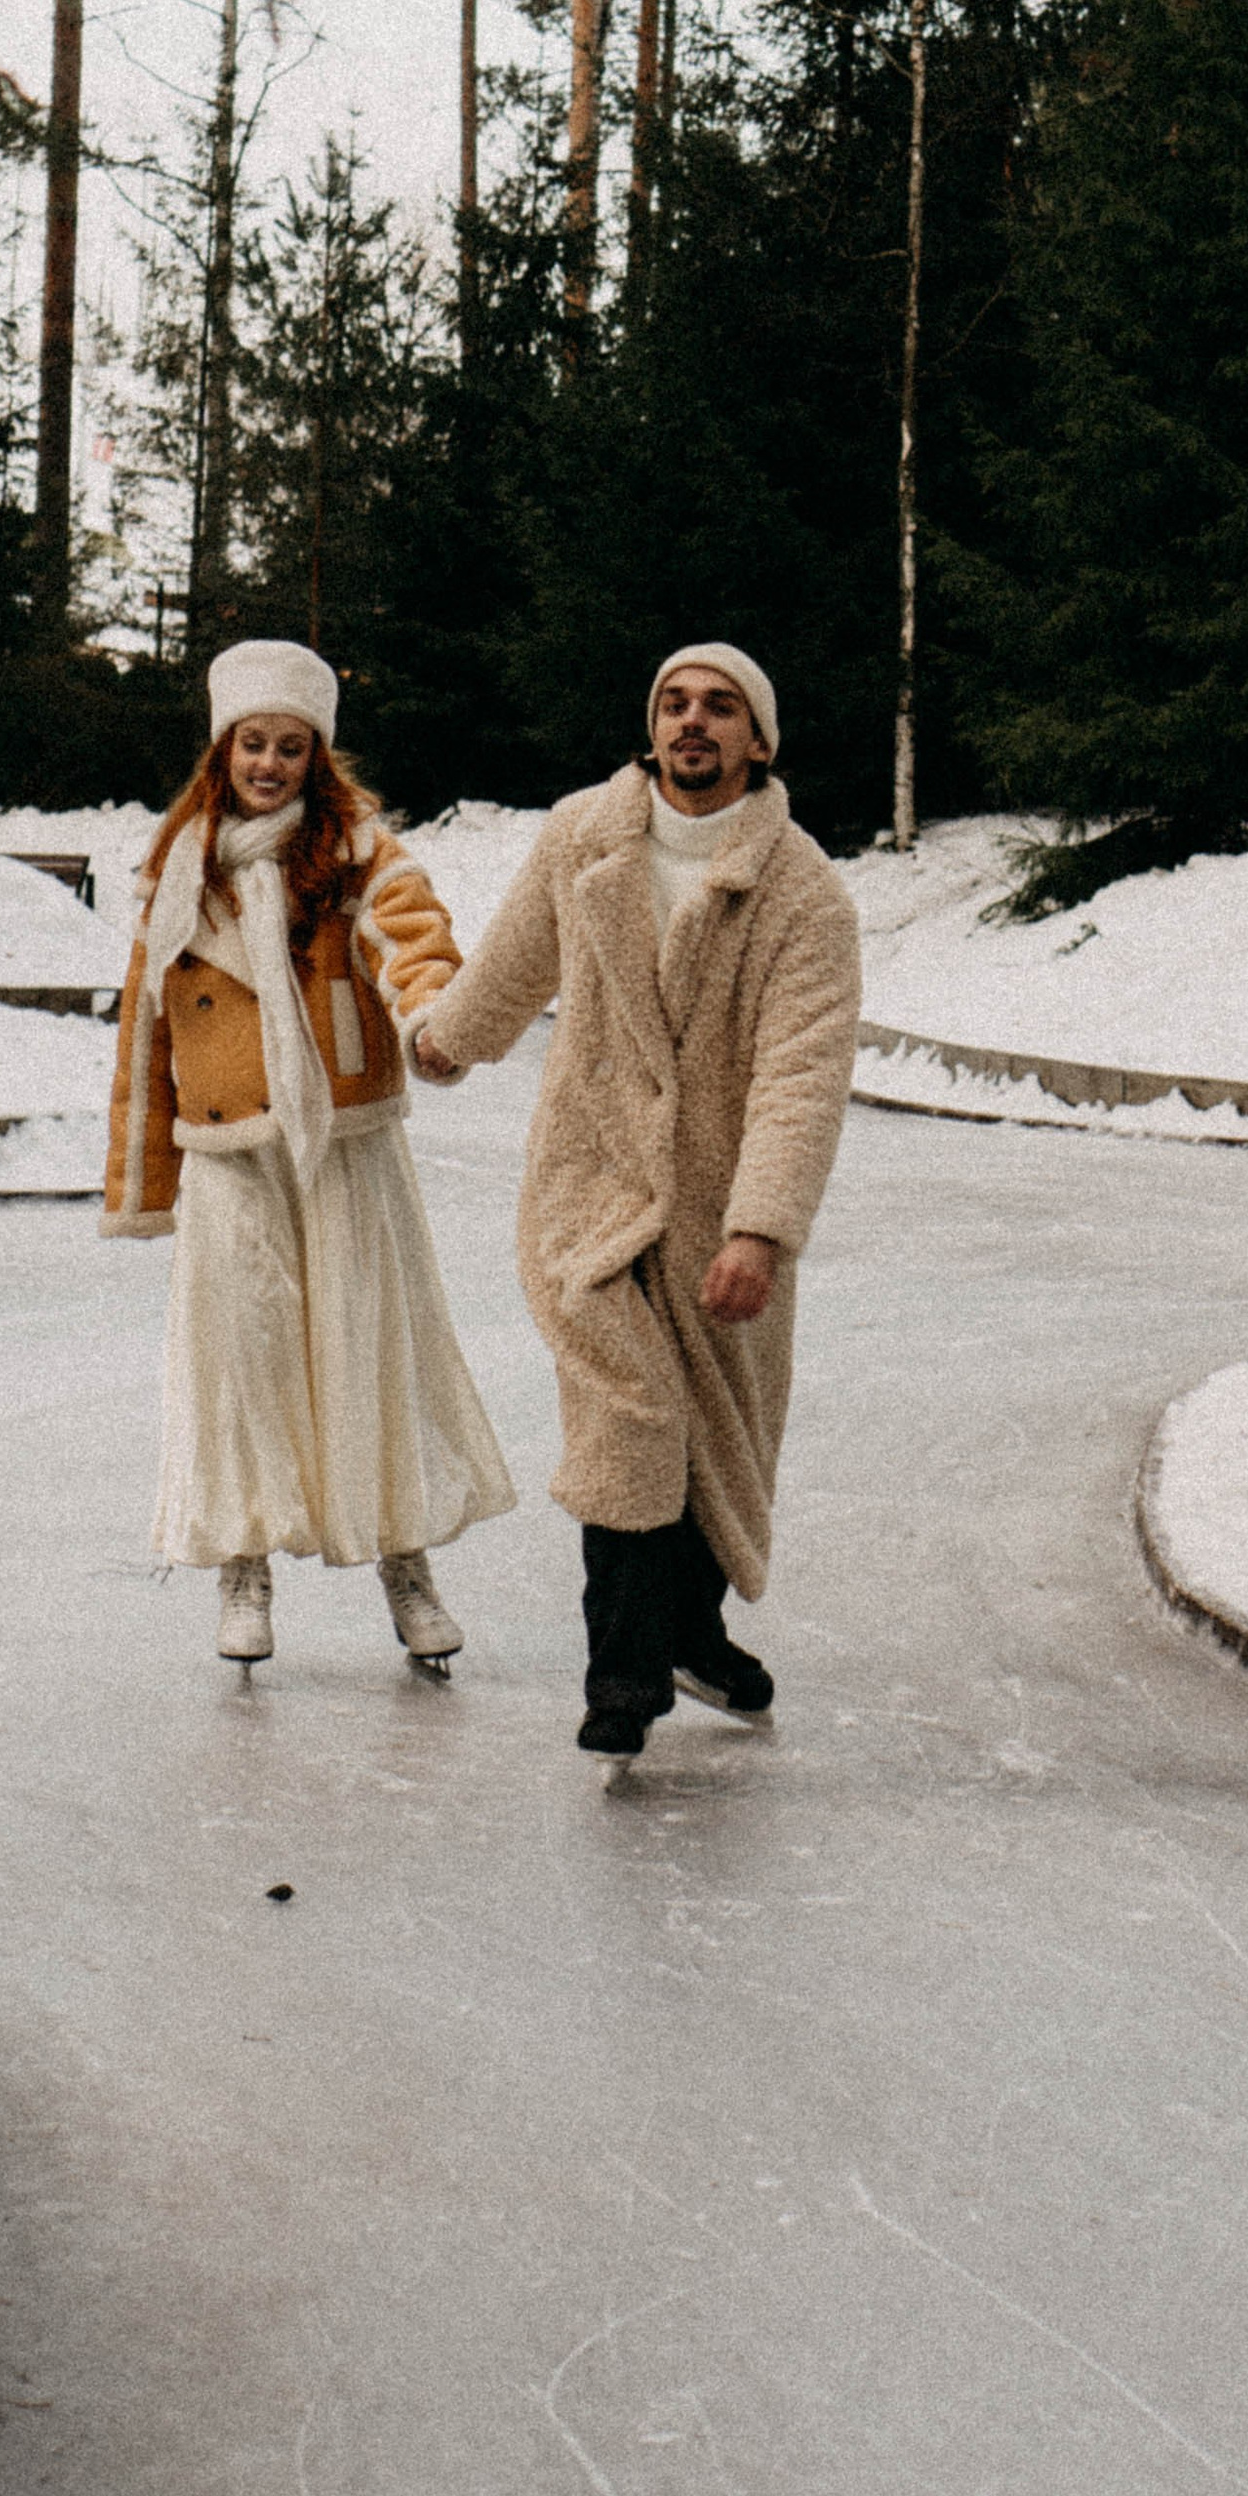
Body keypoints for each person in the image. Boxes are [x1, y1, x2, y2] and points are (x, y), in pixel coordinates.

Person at [411, 643, 859, 1761]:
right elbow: (517, 961)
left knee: (713, 1433)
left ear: (758, 741)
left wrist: (759, 1230)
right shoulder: (582, 836)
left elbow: (801, 1075)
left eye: (719, 709)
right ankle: (622, 1675)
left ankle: (691, 1636)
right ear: (650, 726)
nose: (692, 723)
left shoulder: (802, 892)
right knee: (628, 1415)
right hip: (590, 1184)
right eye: (673, 704)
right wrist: (447, 1041)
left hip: (718, 1205)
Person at [103, 640, 515, 1668]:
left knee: (371, 1351)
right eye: (254, 744)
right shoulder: (178, 870)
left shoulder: (358, 851)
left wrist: (432, 1019)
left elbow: (412, 939)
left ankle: (406, 1568)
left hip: (342, 1141)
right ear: (223, 750)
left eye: (291, 747)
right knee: (242, 1365)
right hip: (229, 1150)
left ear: (315, 758)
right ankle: (244, 1570)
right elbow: (145, 1033)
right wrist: (142, 1178)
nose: (270, 764)